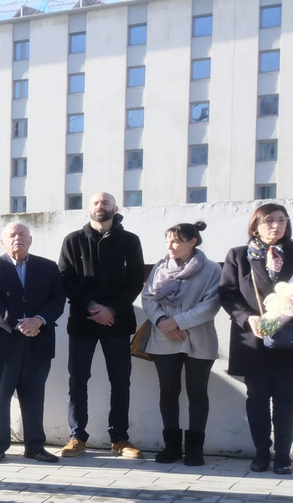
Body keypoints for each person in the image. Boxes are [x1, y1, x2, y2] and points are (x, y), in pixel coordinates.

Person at [58, 192, 147, 459]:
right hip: (83, 321)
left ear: (116, 208)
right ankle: (77, 437)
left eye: (105, 202)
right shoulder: (73, 240)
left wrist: (111, 310)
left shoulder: (130, 240)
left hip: (117, 323)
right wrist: (91, 307)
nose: (101, 206)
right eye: (96, 202)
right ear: (89, 208)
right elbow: (65, 279)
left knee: (120, 381)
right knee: (78, 380)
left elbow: (134, 281)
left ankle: (120, 438)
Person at [0, 221, 66, 465]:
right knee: (1, 394)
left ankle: (35, 446)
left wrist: (39, 320)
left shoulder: (48, 267)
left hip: (39, 340)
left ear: (31, 239)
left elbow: (58, 299)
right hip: (2, 342)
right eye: (12, 235)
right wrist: (18, 324)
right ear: (3, 241)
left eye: (23, 234)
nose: (18, 238)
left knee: (35, 394)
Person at [218, 202, 293, 473]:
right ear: (256, 226)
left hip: (288, 339)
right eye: (269, 220)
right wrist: (247, 318)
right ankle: (262, 452)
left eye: (282, 220)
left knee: (287, 399)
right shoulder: (239, 256)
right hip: (253, 339)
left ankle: (283, 455)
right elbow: (227, 293)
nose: (276, 225)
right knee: (257, 398)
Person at [140, 221, 220, 466]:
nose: (170, 246)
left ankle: (195, 449)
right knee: (168, 391)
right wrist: (163, 321)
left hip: (199, 338)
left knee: (197, 392)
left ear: (192, 242)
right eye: (168, 241)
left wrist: (178, 322)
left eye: (175, 241)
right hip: (164, 337)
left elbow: (211, 303)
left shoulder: (211, 269)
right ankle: (171, 447)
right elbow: (148, 297)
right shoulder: (161, 268)